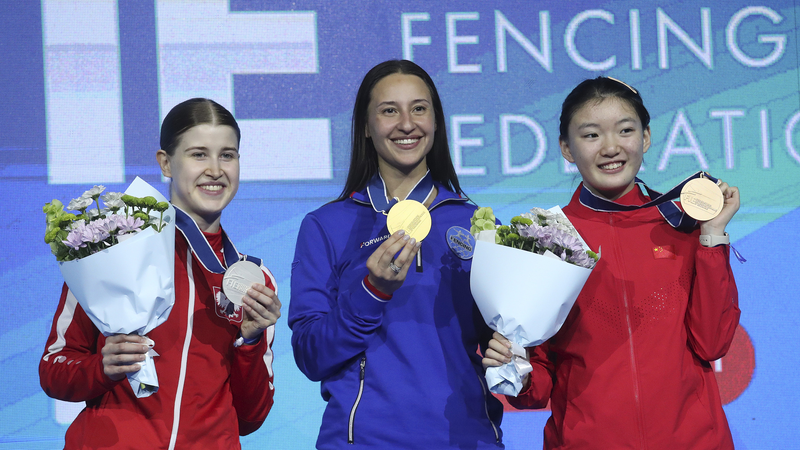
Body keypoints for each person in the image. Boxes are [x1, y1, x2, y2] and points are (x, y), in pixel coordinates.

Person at [483, 77, 741, 449]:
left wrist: (712, 236)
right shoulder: (545, 239)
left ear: (646, 138)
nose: (610, 147)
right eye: (591, 135)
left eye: (625, 130)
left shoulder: (681, 225)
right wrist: (515, 371)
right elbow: (538, 384)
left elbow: (713, 344)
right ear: (566, 148)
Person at [39, 98, 281, 449]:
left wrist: (252, 341)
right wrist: (101, 368)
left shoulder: (252, 280)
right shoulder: (110, 248)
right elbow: (54, 370)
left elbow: (250, 418)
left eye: (227, 155)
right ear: (166, 163)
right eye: (199, 154)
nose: (215, 169)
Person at [289, 60, 504, 449]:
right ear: (366, 127)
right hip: (363, 441)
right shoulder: (326, 226)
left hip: (464, 439)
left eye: (419, 108)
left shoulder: (478, 224)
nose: (407, 124)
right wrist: (372, 291)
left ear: (436, 122)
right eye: (389, 111)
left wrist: (517, 349)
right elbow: (311, 356)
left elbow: (504, 346)